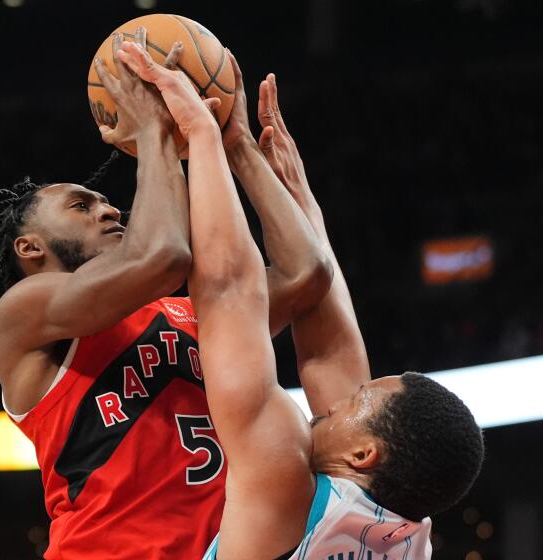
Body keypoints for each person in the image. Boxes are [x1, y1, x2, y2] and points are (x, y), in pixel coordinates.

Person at [0, 28, 331, 560]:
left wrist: (235, 143)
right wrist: (157, 130)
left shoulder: (184, 311)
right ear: (30, 247)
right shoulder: (26, 310)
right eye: (82, 206)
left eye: (107, 202)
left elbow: (306, 274)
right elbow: (163, 257)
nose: (110, 209)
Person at [116, 41, 484, 560]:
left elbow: (228, 291)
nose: (339, 400)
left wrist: (203, 134)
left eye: (357, 402)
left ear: (363, 453)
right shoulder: (405, 536)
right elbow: (329, 350)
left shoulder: (283, 479)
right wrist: (272, 173)